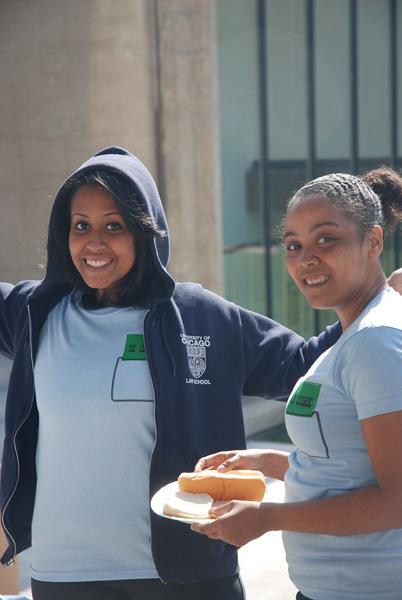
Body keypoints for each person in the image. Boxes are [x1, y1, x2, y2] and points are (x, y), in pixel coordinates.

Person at [0, 146, 346, 600]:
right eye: (80, 225)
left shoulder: (200, 316)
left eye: (114, 226)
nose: (94, 242)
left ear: (145, 233)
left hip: (187, 575)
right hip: (65, 574)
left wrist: (374, 302)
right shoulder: (36, 313)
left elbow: (304, 366)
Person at [192, 167, 402, 600]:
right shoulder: (351, 338)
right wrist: (269, 463)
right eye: (293, 245)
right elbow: (347, 470)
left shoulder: (375, 341)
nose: (306, 257)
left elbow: (396, 501)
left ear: (374, 241)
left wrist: (268, 517)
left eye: (327, 238)